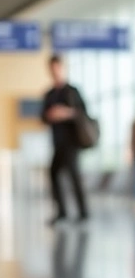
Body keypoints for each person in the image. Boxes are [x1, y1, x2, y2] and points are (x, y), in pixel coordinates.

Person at [40, 54, 90, 225]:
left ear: (62, 68)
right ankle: (62, 212)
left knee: (73, 175)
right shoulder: (49, 94)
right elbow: (43, 117)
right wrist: (51, 115)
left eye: (57, 68)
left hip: (72, 142)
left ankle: (83, 213)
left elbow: (82, 113)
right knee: (54, 174)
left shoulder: (72, 91)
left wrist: (65, 112)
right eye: (52, 69)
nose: (55, 72)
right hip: (57, 142)